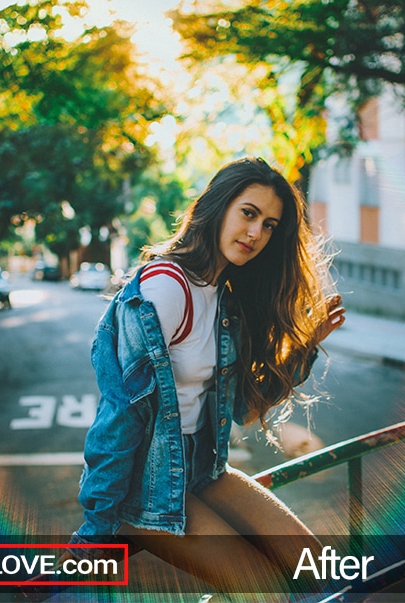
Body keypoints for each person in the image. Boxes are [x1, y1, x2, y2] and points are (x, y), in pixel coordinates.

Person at [68, 157, 346, 600]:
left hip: (203, 467)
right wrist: (96, 529)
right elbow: (120, 413)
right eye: (248, 213)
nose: (256, 233)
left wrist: (304, 346)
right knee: (266, 591)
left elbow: (244, 411)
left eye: (270, 224)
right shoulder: (165, 290)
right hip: (145, 488)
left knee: (319, 566)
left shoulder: (223, 294)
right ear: (218, 207)